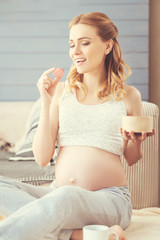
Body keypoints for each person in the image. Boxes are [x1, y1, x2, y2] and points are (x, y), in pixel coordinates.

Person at [0, 12, 155, 240]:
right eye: (72, 44)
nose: (75, 51)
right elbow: (42, 158)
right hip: (58, 194)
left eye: (85, 43)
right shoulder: (62, 93)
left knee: (67, 197)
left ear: (107, 45)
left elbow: (131, 158)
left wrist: (136, 140)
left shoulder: (128, 95)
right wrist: (46, 101)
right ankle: (76, 234)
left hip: (110, 199)